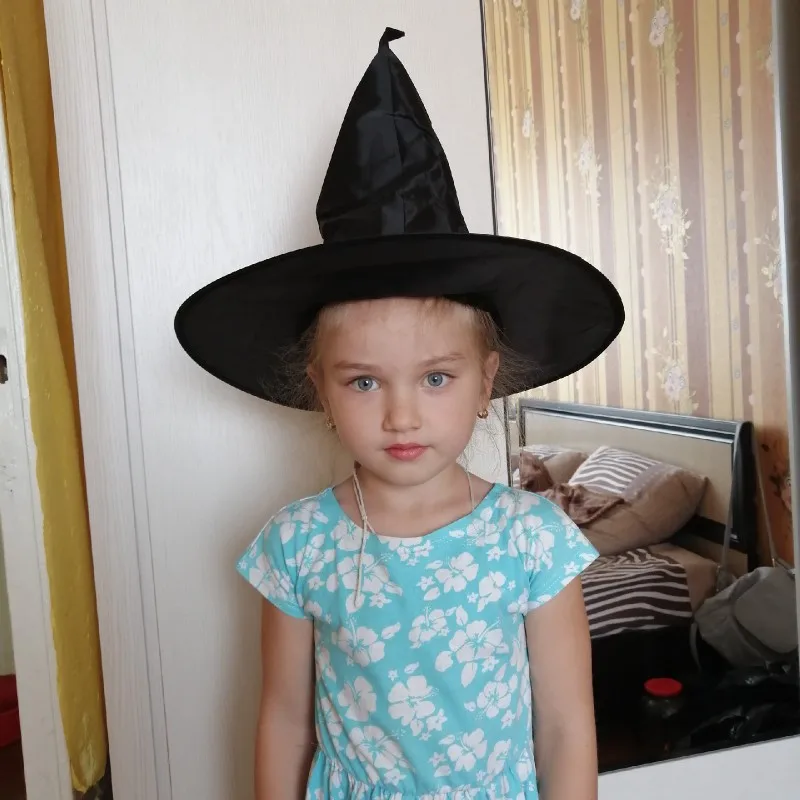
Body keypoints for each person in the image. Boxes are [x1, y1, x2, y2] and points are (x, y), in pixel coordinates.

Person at [174, 27, 624, 800]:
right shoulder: (298, 545)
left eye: (437, 378)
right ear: (320, 390)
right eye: (363, 383)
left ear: (485, 384)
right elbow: (284, 720)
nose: (402, 415)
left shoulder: (533, 541)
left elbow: (565, 725)